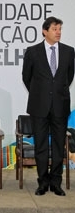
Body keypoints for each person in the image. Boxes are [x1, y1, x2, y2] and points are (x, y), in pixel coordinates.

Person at [22, 16, 74, 196]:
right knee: (41, 146)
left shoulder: (69, 51)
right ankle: (43, 182)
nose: (58, 32)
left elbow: (68, 77)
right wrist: (40, 93)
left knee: (59, 145)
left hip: (60, 106)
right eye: (54, 29)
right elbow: (26, 77)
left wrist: (56, 93)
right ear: (45, 31)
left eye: (59, 29)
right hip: (39, 106)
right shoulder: (33, 51)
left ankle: (56, 182)